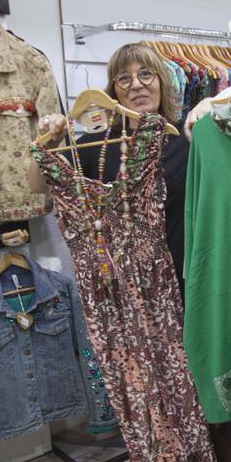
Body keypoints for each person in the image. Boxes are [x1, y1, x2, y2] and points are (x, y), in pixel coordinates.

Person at [38, 42, 188, 292]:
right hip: (120, 286)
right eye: (124, 78)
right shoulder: (95, 145)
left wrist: (210, 107)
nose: (137, 84)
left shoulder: (185, 139)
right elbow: (38, 185)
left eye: (146, 73)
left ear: (161, 80)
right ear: (114, 91)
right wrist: (47, 145)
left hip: (179, 279)